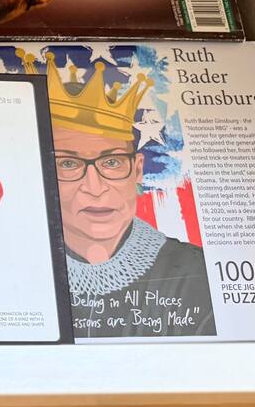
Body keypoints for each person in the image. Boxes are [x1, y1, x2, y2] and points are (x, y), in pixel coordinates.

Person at [23, 50, 216, 338]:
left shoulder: (196, 274)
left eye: (112, 162)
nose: (94, 187)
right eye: (68, 163)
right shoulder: (17, 269)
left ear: (137, 169)